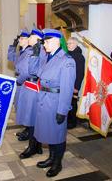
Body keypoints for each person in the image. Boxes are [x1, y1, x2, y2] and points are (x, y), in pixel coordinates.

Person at [29, 28, 76, 177]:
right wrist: (35, 55)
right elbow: (33, 72)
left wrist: (63, 110)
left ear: (57, 41)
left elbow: (67, 88)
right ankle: (51, 158)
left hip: (55, 102)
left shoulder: (67, 61)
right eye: (44, 42)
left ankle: (57, 163)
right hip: (43, 100)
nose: (44, 45)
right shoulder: (46, 57)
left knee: (57, 135)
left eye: (47, 41)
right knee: (49, 133)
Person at [18, 28, 44, 158]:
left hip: (33, 86)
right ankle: (37, 146)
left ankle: (33, 147)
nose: (29, 38)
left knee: (33, 118)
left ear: (37, 39)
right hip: (30, 85)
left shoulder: (39, 51)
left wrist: (19, 80)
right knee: (32, 118)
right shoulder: (35, 50)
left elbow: (31, 71)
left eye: (32, 36)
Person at [8, 29, 32, 141]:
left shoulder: (29, 52)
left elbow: (26, 71)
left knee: (25, 107)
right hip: (19, 80)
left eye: (22, 38)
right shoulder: (21, 51)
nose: (19, 40)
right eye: (19, 38)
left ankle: (28, 130)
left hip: (24, 82)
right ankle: (26, 128)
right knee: (20, 106)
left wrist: (19, 81)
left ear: (28, 40)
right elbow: (10, 58)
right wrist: (12, 47)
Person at [67, 37, 85, 129]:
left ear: (76, 44)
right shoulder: (67, 55)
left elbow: (80, 73)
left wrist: (76, 87)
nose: (68, 45)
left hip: (73, 85)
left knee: (72, 103)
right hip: (66, 83)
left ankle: (72, 122)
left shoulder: (79, 56)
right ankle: (67, 120)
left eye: (71, 43)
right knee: (66, 102)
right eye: (68, 43)